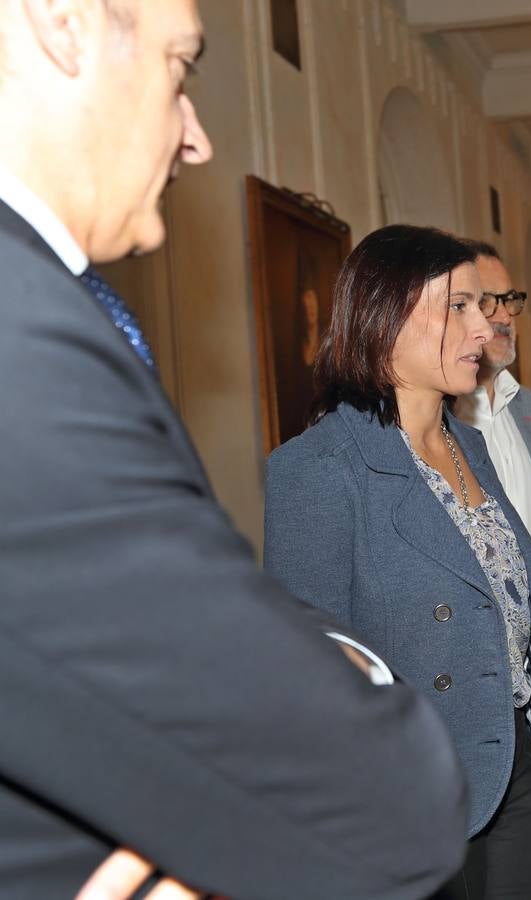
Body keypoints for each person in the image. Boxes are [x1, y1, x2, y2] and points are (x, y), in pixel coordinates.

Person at [0, 1, 468, 897]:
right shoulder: (23, 336)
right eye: (180, 68)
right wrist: (342, 668)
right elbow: (391, 803)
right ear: (62, 24)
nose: (197, 138)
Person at [264, 225, 531, 900]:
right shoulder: (317, 469)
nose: (484, 325)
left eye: (485, 305)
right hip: (407, 795)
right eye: (459, 306)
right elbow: (307, 679)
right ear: (386, 317)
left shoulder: (472, 445)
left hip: (512, 761)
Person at [453, 239, 531, 826]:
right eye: (483, 300)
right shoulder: (436, 422)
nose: (501, 314)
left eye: (509, 299)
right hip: (472, 673)